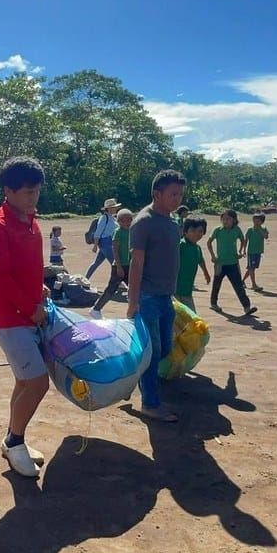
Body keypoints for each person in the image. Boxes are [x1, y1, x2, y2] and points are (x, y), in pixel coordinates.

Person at [0, 157, 49, 478]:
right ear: (8, 191)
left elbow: (27, 267)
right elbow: (0, 279)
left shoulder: (31, 220)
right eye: (27, 192)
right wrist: (30, 308)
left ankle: (13, 439)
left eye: (36, 191)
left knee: (24, 382)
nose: (33, 197)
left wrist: (40, 288)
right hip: (11, 318)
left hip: (30, 312)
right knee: (37, 383)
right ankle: (15, 441)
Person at [126, 170, 187, 423]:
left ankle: (131, 379)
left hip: (165, 297)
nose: (178, 199)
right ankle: (149, 403)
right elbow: (136, 264)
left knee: (164, 348)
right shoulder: (144, 222)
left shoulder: (172, 222)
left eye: (180, 194)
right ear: (157, 194)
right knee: (152, 352)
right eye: (173, 194)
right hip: (147, 298)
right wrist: (133, 301)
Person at [207, 209, 258, 316]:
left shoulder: (236, 230)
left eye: (228, 219)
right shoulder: (218, 230)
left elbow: (243, 240)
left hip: (233, 263)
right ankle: (213, 303)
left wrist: (241, 251)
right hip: (220, 263)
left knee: (238, 285)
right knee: (216, 284)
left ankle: (247, 307)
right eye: (223, 219)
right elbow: (209, 242)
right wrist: (213, 256)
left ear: (234, 220)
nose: (225, 221)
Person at [89, 208, 133, 319]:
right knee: (111, 289)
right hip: (119, 266)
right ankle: (96, 309)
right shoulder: (118, 232)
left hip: (128, 266)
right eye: (124, 220)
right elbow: (115, 250)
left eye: (129, 220)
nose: (127, 222)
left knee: (135, 289)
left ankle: (134, 312)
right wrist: (118, 267)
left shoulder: (131, 232)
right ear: (119, 222)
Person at [175, 217, 212, 313]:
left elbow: (201, 260)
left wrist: (206, 273)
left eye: (200, 231)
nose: (196, 234)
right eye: (192, 231)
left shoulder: (197, 248)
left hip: (187, 289)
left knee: (189, 315)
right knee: (184, 315)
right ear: (185, 232)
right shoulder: (180, 245)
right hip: (175, 289)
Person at [85, 198, 122, 279]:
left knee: (96, 263)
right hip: (106, 243)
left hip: (109, 243)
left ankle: (85, 279)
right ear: (109, 209)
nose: (116, 209)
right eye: (114, 207)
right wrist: (95, 245)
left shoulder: (112, 218)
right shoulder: (104, 218)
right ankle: (118, 282)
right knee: (115, 264)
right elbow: (98, 232)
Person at [243, 213, 269, 291]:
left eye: (258, 221)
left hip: (258, 252)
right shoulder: (250, 229)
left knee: (251, 268)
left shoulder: (264, 229)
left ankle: (242, 281)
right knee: (251, 268)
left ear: (262, 222)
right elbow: (246, 240)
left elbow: (266, 237)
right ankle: (253, 284)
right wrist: (244, 250)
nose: (256, 222)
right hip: (251, 252)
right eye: (254, 220)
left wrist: (259, 229)